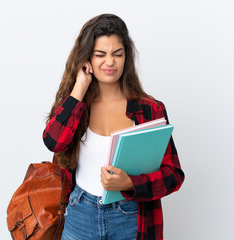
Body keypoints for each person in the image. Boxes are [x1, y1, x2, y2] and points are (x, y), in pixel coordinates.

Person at [43, 13, 184, 240]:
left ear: (126, 57)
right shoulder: (76, 105)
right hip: (80, 214)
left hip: (131, 217)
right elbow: (54, 141)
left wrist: (130, 182)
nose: (110, 62)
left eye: (117, 54)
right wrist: (79, 87)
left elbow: (173, 175)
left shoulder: (150, 110)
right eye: (100, 54)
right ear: (86, 59)